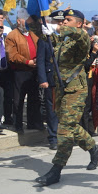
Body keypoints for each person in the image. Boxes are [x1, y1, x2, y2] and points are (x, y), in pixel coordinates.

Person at [35, 9, 98, 187]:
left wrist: (56, 28)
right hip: (62, 88)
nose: (64, 22)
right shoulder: (64, 41)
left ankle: (56, 170)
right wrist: (38, 25)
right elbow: (48, 39)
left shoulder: (82, 38)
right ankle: (94, 148)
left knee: (65, 129)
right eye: (63, 20)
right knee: (70, 125)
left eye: (68, 20)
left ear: (79, 23)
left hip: (75, 89)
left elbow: (77, 36)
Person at [5, 8, 42, 132]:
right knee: (18, 100)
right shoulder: (12, 36)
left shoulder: (33, 34)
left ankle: (33, 122)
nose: (26, 22)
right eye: (23, 20)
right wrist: (27, 61)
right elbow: (12, 55)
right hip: (20, 71)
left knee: (34, 98)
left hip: (34, 71)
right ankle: (18, 124)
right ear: (18, 21)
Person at [36, 11, 63, 149]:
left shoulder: (67, 38)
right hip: (51, 78)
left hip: (65, 79)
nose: (60, 24)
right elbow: (40, 61)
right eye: (57, 22)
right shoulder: (45, 39)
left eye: (62, 22)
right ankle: (53, 138)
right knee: (52, 110)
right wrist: (43, 79)